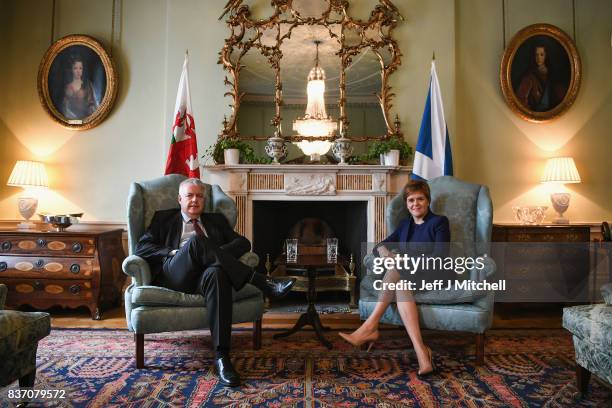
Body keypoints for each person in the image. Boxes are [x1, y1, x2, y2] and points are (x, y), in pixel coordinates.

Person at [134, 178, 296, 387]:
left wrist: (214, 255)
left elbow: (242, 243)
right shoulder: (163, 219)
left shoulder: (216, 220)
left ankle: (222, 357)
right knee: (196, 243)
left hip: (206, 275)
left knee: (217, 272)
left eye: (199, 196)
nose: (195, 200)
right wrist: (174, 252)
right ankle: (261, 282)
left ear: (204, 199)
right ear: (179, 199)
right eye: (189, 196)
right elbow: (142, 248)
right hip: (175, 273)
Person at [338, 179, 450, 378]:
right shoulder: (405, 225)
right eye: (411, 200)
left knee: (398, 267)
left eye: (420, 199)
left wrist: (404, 259)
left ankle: (370, 326)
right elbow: (379, 245)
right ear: (406, 204)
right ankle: (422, 353)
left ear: (428, 201)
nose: (415, 204)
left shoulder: (439, 222)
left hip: (434, 273)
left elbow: (439, 257)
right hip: (409, 275)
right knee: (400, 283)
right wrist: (384, 251)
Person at [516, 44, 566, 112]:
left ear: (546, 56)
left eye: (541, 55)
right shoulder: (529, 76)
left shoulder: (552, 74)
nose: (539, 58)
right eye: (536, 55)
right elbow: (521, 98)